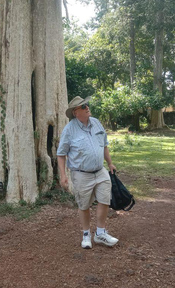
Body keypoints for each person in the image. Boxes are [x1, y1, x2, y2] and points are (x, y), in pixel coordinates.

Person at [57, 96, 118, 249]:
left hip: (100, 171)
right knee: (84, 205)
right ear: (76, 112)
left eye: (87, 105)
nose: (87, 107)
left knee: (104, 200)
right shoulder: (69, 129)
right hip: (81, 174)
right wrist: (63, 175)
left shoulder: (96, 123)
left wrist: (110, 163)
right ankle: (86, 235)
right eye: (83, 106)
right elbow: (61, 154)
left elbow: (104, 144)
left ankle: (100, 233)